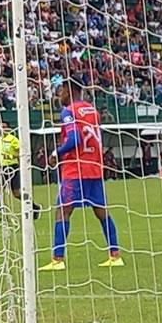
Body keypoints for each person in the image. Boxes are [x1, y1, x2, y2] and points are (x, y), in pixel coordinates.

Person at [41, 80, 123, 271]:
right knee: (101, 211)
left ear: (70, 91)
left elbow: (74, 139)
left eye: (61, 91)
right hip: (94, 167)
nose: (59, 96)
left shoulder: (68, 112)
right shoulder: (92, 111)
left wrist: (56, 153)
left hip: (75, 168)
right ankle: (115, 255)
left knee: (62, 211)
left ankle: (57, 260)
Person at [0, 120, 41, 219]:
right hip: (2, 168)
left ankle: (35, 207)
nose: (2, 129)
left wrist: (12, 156)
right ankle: (2, 214)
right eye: (0, 127)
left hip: (12, 167)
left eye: (4, 127)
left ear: (8, 129)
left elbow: (20, 152)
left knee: (16, 193)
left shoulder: (13, 139)